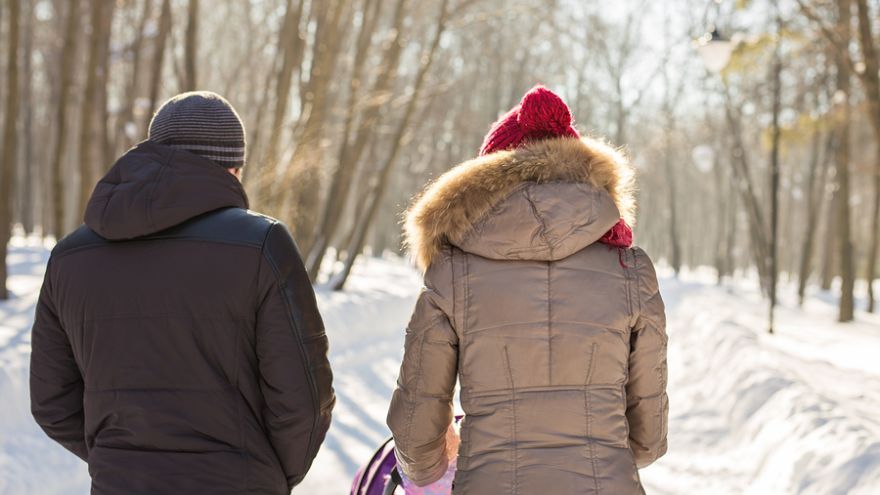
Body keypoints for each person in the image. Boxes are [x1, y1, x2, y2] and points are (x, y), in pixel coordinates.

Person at [30, 91, 335, 494]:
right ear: (232, 169)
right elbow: (304, 399)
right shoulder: (262, 244)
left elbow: (52, 401)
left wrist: (120, 459)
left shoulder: (70, 256)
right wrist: (267, 473)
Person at [387, 85, 668, 494]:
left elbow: (416, 439)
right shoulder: (630, 271)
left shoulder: (453, 273)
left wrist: (430, 466)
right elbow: (648, 440)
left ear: (482, 183)